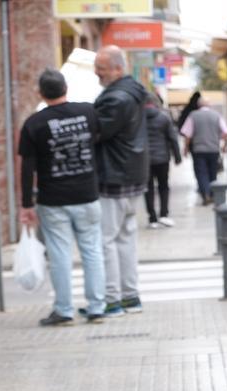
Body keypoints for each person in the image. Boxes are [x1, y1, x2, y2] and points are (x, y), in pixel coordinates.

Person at [18, 69, 106, 326]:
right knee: (92, 252)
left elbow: (27, 169)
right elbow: (99, 142)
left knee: (59, 256)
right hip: (88, 194)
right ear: (66, 88)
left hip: (53, 200)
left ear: (41, 93)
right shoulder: (88, 112)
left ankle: (64, 310)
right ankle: (97, 307)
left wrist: (26, 205)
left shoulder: (34, 124)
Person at [93, 45, 149, 317]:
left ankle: (112, 299)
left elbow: (98, 132)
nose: (97, 75)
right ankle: (130, 296)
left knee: (107, 240)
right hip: (133, 173)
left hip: (114, 175)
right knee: (126, 237)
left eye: (101, 70)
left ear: (117, 68)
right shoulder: (133, 92)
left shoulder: (115, 98)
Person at [180, 96, 227, 205]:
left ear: (198, 105)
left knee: (201, 173)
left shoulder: (193, 116)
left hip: (199, 150)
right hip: (213, 149)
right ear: (209, 105)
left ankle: (205, 194)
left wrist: (186, 148)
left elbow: (187, 134)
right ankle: (212, 194)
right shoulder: (216, 115)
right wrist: (224, 145)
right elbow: (226, 131)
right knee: (213, 173)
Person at [144, 93, 182, 229]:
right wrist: (177, 156)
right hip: (162, 158)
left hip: (145, 160)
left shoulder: (138, 119)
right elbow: (172, 138)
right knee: (163, 187)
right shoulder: (163, 117)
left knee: (148, 189)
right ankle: (164, 215)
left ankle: (152, 218)